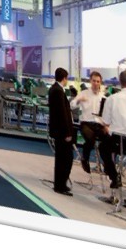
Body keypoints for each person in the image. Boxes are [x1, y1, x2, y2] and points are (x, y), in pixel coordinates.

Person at [70, 71, 105, 174]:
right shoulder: (84, 93)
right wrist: (78, 100)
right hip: (86, 123)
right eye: (94, 81)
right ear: (90, 81)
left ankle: (107, 165)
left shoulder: (103, 96)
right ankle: (85, 159)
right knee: (90, 140)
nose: (96, 83)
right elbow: (72, 105)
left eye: (98, 81)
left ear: (100, 82)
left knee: (108, 140)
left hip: (99, 124)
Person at [48, 67, 74, 196]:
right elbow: (62, 113)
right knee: (65, 158)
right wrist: (67, 132)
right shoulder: (58, 91)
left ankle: (60, 183)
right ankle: (60, 185)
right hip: (62, 131)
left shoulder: (54, 89)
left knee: (62, 158)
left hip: (58, 130)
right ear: (64, 78)